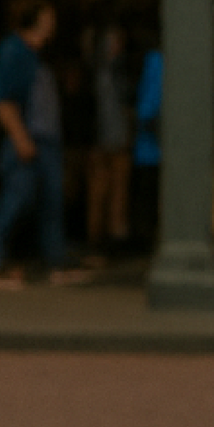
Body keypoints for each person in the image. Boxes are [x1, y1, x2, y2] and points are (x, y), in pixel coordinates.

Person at [0, 0, 94, 291]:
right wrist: (20, 137)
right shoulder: (14, 51)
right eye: (47, 19)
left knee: (51, 202)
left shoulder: (36, 54)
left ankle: (54, 263)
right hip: (29, 137)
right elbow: (1, 98)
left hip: (46, 139)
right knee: (16, 199)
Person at [85, 18, 136, 254]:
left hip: (117, 138)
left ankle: (113, 238)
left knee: (117, 191)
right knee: (100, 190)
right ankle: (98, 239)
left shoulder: (119, 73)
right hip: (103, 139)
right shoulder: (99, 74)